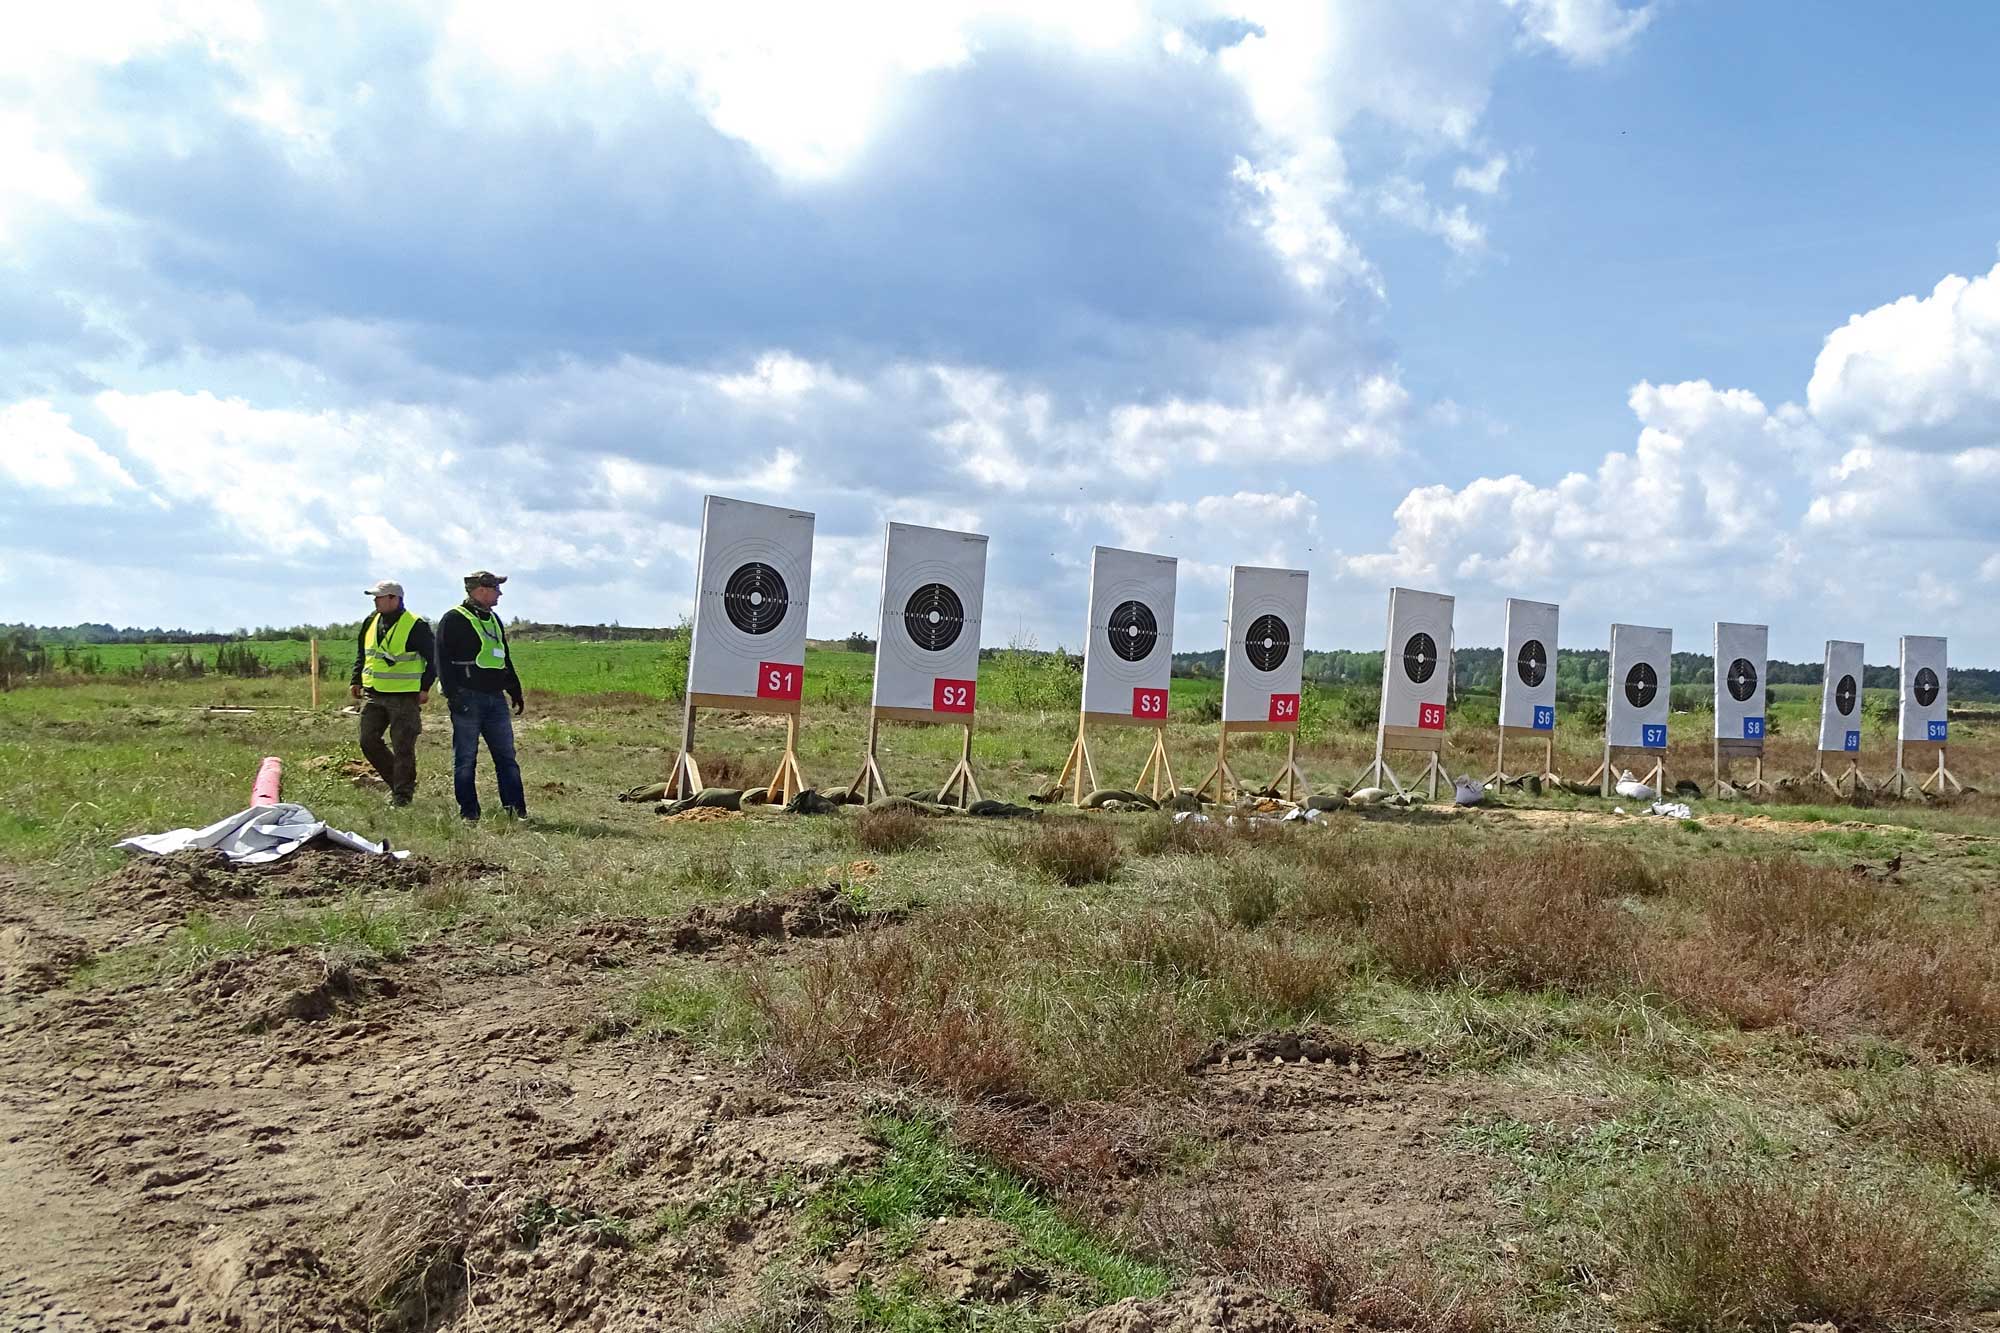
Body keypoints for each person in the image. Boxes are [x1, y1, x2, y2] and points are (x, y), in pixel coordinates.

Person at [438, 570, 527, 821]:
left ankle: (516, 811)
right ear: (482, 590)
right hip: (467, 698)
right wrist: (453, 696)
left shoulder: (494, 619)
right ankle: (469, 814)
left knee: (507, 758)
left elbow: (503, 656)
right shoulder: (453, 619)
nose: (500, 593)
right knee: (465, 760)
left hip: (495, 698)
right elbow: (441, 660)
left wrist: (514, 689)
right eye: (496, 588)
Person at [348, 580, 436, 807]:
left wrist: (425, 687)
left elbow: (434, 659)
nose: (375, 601)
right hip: (373, 693)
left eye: (379, 597)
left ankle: (402, 797)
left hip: (404, 696)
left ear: (394, 599)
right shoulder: (371, 621)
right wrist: (356, 678)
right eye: (374, 597)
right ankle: (398, 782)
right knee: (368, 741)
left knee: (403, 747)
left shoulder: (416, 625)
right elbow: (363, 653)